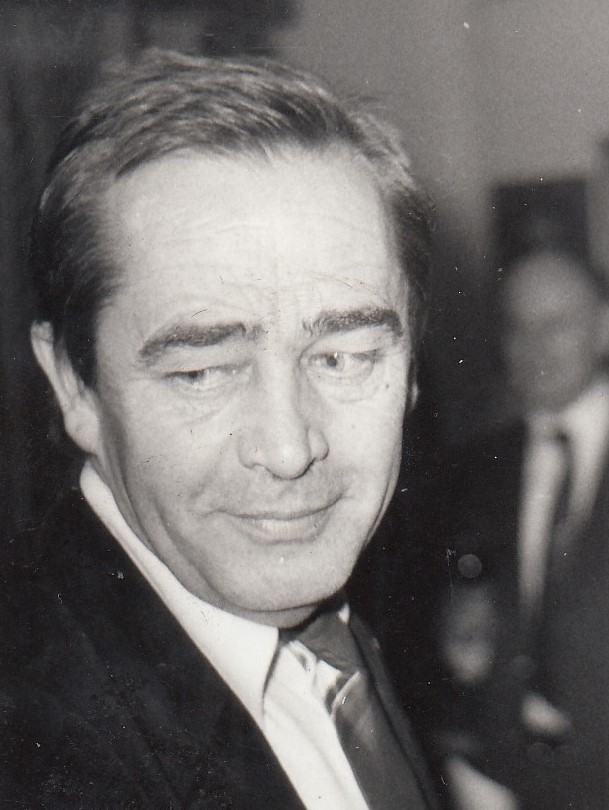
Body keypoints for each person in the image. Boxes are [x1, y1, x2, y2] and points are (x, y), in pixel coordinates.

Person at [0, 51, 440, 808]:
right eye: (202, 372)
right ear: (74, 384)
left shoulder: (331, 632)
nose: (289, 450)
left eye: (343, 358)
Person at [432, 249, 609, 809]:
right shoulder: (478, 465)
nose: (532, 346)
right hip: (502, 778)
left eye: (556, 324)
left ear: (607, 329)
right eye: (517, 327)